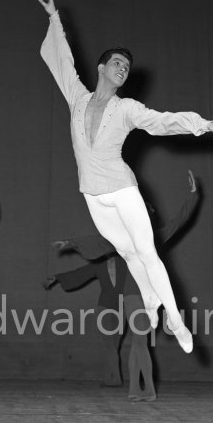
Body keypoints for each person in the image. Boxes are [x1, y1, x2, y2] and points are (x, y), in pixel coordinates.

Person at [38, 0, 213, 353]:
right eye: (117, 63)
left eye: (126, 67)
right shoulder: (77, 98)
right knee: (128, 254)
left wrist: (205, 125)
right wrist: (55, 19)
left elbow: (164, 121)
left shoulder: (128, 108)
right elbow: (62, 63)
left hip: (122, 188)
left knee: (146, 251)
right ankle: (150, 301)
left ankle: (176, 321)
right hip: (92, 195)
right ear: (101, 68)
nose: (122, 69)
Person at [46, 170, 200, 400]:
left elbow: (179, 220)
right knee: (140, 341)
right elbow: (99, 241)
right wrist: (71, 243)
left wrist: (193, 195)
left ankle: (136, 390)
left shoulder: (155, 236)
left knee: (140, 342)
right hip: (131, 294)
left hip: (150, 295)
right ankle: (146, 389)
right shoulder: (122, 237)